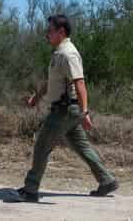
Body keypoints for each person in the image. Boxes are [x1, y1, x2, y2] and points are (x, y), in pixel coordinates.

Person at [17, 14, 118, 202]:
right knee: (82, 147)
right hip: (68, 109)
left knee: (42, 145)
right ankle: (107, 180)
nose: (47, 34)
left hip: (64, 110)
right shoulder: (59, 53)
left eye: (50, 30)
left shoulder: (68, 53)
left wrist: (85, 112)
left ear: (61, 31)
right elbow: (52, 81)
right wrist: (36, 98)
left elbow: (80, 84)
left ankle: (30, 190)